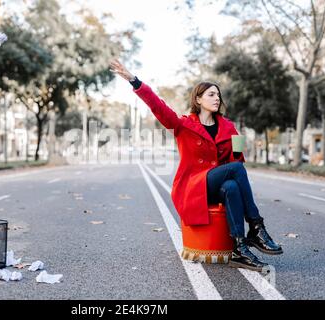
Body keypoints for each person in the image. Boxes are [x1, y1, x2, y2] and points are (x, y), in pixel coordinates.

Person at [110, 59, 282, 271]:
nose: (216, 98)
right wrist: (134, 81)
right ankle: (256, 227)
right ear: (198, 99)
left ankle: (239, 248)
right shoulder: (183, 124)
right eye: (211, 94)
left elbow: (235, 161)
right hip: (194, 186)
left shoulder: (229, 127)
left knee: (232, 186)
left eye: (218, 95)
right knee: (236, 171)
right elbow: (158, 107)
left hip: (216, 186)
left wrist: (238, 146)